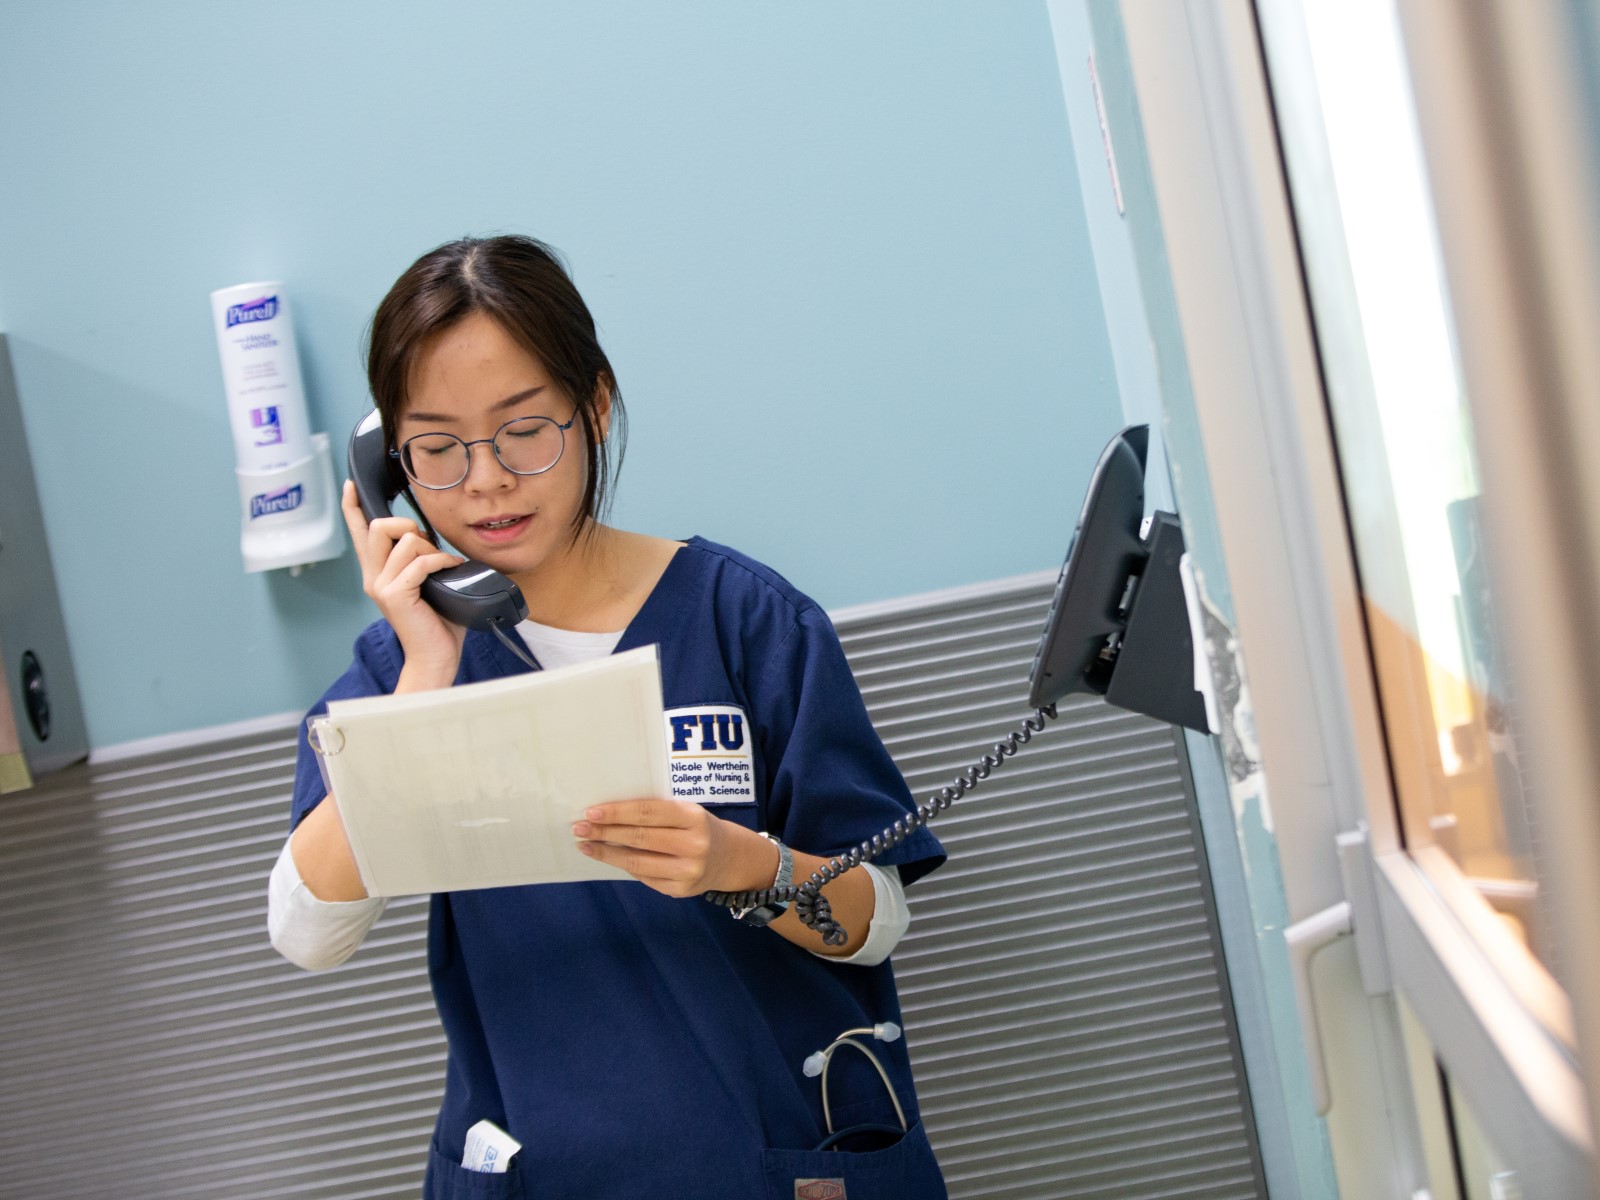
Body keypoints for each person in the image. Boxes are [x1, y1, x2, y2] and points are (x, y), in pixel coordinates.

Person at [266, 235, 949, 1199]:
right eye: (437, 448)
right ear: (390, 469)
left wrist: (738, 866)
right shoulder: (398, 671)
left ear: (594, 405)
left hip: (767, 1161)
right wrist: (425, 676)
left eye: (523, 429)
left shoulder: (745, 619)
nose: (488, 480)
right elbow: (307, 931)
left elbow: (878, 920)